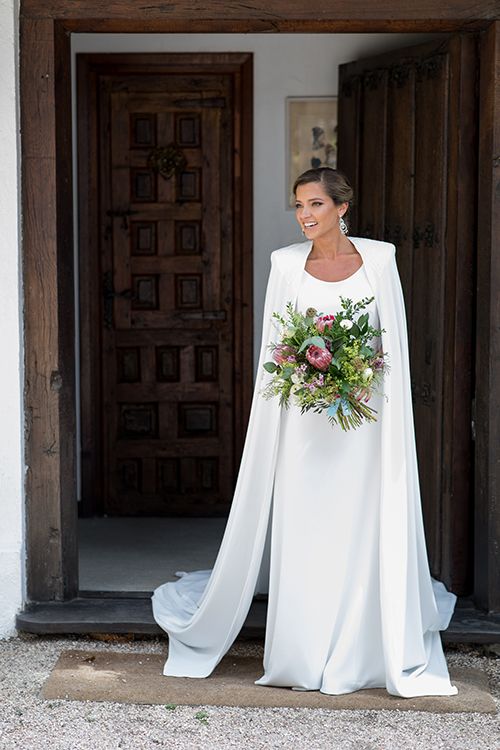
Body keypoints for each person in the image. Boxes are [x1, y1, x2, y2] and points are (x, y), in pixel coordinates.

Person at [152, 167, 458, 698]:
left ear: (342, 208)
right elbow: (277, 346)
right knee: (308, 526)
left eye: (315, 204)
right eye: (298, 206)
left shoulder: (381, 258)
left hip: (364, 421)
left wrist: (366, 389)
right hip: (303, 422)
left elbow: (394, 346)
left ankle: (363, 648)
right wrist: (298, 385)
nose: (305, 216)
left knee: (360, 525)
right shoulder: (285, 264)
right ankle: (302, 650)